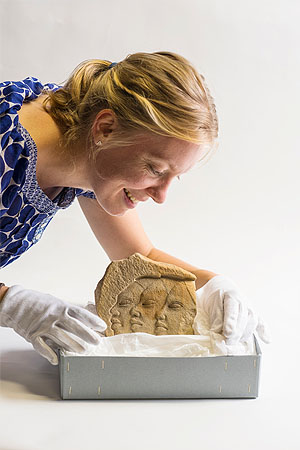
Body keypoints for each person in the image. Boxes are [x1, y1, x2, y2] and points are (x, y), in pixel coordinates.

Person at [0, 51, 269, 365]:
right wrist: (10, 303)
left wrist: (213, 285)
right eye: (155, 170)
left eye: (174, 177)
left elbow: (139, 260)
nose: (160, 196)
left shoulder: (84, 146)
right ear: (106, 128)